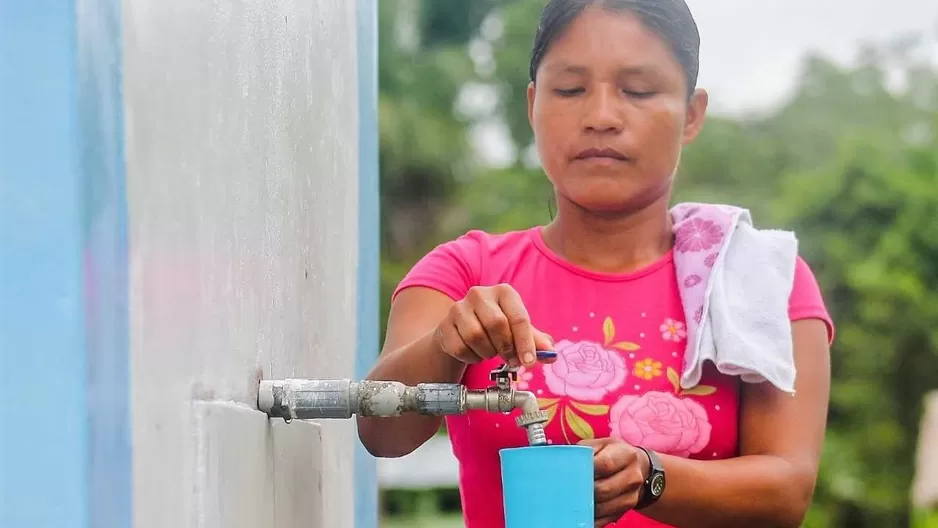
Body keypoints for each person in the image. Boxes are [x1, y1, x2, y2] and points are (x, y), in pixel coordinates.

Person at [357, 0, 834, 526]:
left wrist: (651, 475)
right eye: (569, 90)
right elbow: (382, 432)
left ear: (692, 113)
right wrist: (446, 343)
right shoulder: (464, 273)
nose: (601, 117)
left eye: (638, 91)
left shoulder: (757, 281)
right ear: (532, 104)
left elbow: (786, 490)